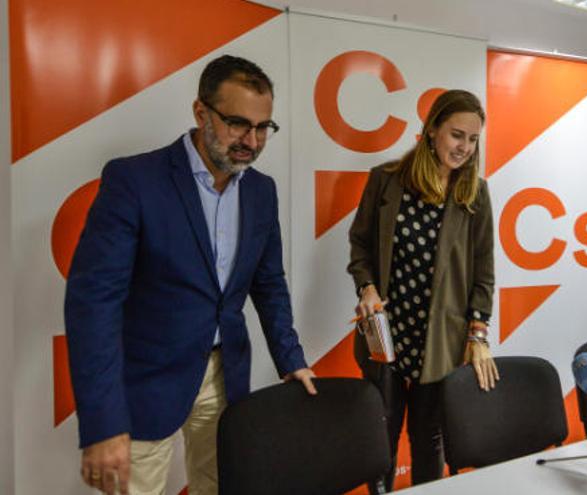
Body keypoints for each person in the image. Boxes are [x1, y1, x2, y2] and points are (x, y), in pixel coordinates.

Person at [65, 55, 317, 495]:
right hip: (146, 381)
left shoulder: (262, 191)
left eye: (263, 128)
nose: (252, 141)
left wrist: (291, 359)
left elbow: (269, 284)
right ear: (201, 112)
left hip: (226, 376)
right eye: (238, 123)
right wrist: (102, 420)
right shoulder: (134, 180)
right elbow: (94, 303)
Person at [348, 89, 499, 491]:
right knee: (380, 437)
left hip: (441, 342)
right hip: (386, 337)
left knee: (429, 439)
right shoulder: (386, 180)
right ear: (432, 129)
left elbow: (484, 274)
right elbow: (360, 245)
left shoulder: (475, 194)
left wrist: (479, 335)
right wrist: (366, 289)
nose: (464, 147)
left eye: (472, 139)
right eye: (456, 135)